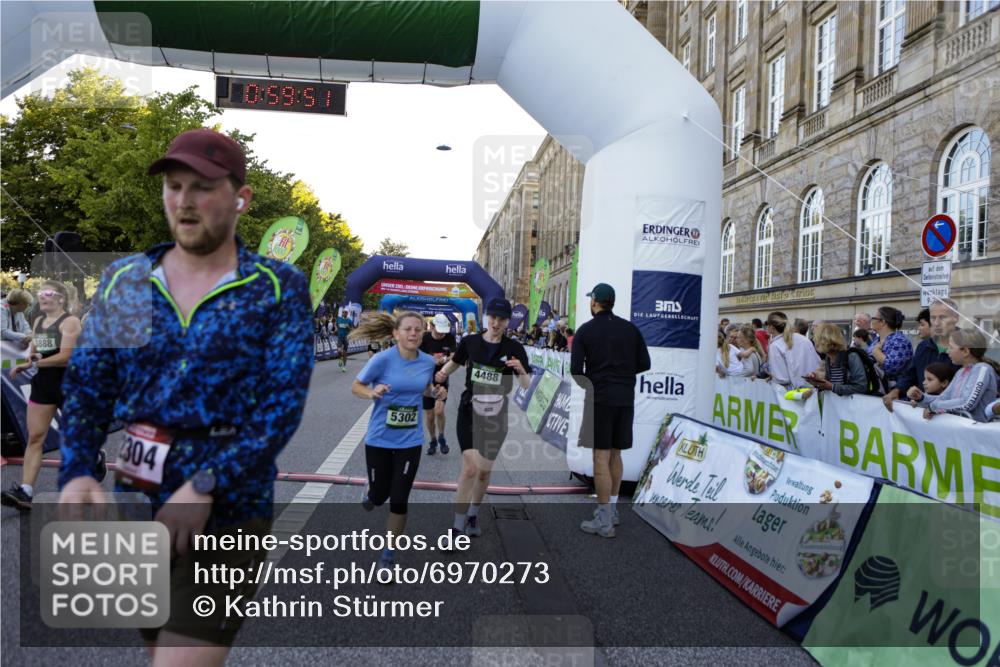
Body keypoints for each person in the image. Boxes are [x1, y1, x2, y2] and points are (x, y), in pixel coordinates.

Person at [55, 128, 314, 660]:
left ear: (240, 198)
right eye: (174, 186)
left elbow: (280, 408)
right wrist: (79, 467)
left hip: (229, 502)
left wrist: (206, 484)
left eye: (201, 187)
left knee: (182, 656)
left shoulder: (276, 286)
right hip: (137, 486)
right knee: (156, 645)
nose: (184, 201)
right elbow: (88, 381)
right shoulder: (128, 279)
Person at [350, 311, 444, 572]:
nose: (414, 333)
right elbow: (356, 386)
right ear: (395, 334)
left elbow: (425, 388)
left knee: (399, 499)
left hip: (410, 440)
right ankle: (371, 490)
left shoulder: (427, 362)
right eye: (408, 329)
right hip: (380, 438)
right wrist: (372, 391)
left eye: (418, 329)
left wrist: (435, 391)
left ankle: (388, 556)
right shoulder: (382, 360)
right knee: (379, 498)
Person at [435, 298, 531, 538]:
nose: (496, 323)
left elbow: (526, 385)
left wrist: (520, 370)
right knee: (469, 468)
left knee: (484, 472)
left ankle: (473, 513)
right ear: (487, 317)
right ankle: (457, 527)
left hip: (496, 415)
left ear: (508, 321)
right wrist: (440, 374)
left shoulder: (514, 348)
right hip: (470, 410)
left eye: (501, 319)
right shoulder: (470, 342)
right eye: (493, 318)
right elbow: (454, 365)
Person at [2, 281, 103, 510]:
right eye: (41, 293)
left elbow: (65, 357)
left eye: (49, 293)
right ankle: (26, 492)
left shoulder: (71, 322)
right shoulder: (38, 322)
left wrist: (37, 361)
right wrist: (23, 364)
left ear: (61, 298)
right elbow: (35, 354)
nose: (43, 296)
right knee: (35, 437)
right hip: (44, 384)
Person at [569, 283, 651, 538]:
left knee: (600, 459)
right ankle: (612, 511)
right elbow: (644, 364)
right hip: (625, 398)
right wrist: (622, 378)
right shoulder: (630, 329)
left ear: (594, 301)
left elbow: (575, 371)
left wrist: (592, 385)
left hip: (600, 399)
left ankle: (604, 520)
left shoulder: (585, 331)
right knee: (616, 455)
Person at [882, 302, 961, 412]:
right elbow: (910, 375)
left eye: (942, 317)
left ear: (956, 318)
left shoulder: (966, 347)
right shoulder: (923, 346)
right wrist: (896, 391)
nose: (937, 323)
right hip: (922, 412)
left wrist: (933, 405)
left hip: (953, 415)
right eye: (933, 318)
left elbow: (966, 392)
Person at [910, 328, 999, 422]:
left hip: (978, 432)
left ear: (965, 351)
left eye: (951, 347)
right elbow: (944, 398)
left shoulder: (982, 369)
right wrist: (922, 398)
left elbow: (967, 403)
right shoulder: (961, 372)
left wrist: (933, 408)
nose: (948, 351)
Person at [420, 313, 456, 456]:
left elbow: (454, 356)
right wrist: (431, 360)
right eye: (438, 330)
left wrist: (445, 359)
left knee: (439, 411)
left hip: (441, 378)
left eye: (443, 330)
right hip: (426, 380)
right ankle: (433, 440)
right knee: (429, 415)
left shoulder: (450, 338)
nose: (441, 333)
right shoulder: (424, 338)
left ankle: (441, 436)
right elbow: (417, 356)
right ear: (432, 326)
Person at [804, 323, 869, 396]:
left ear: (825, 340)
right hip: (839, 405)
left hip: (854, 405)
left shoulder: (851, 357)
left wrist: (832, 387)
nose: (814, 341)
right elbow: (832, 385)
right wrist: (816, 381)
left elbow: (861, 387)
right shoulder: (828, 358)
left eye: (816, 338)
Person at [765, 311, 821, 390]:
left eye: (767, 324)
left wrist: (773, 378)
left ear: (772, 327)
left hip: (794, 394)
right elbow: (818, 364)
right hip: (814, 390)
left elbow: (782, 379)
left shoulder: (775, 345)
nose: (766, 327)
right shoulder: (804, 339)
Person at [870, 306, 912, 389]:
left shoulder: (899, 341)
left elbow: (891, 366)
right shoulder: (876, 340)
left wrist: (876, 351)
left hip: (895, 394)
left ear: (883, 322)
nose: (872, 320)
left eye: (874, 318)